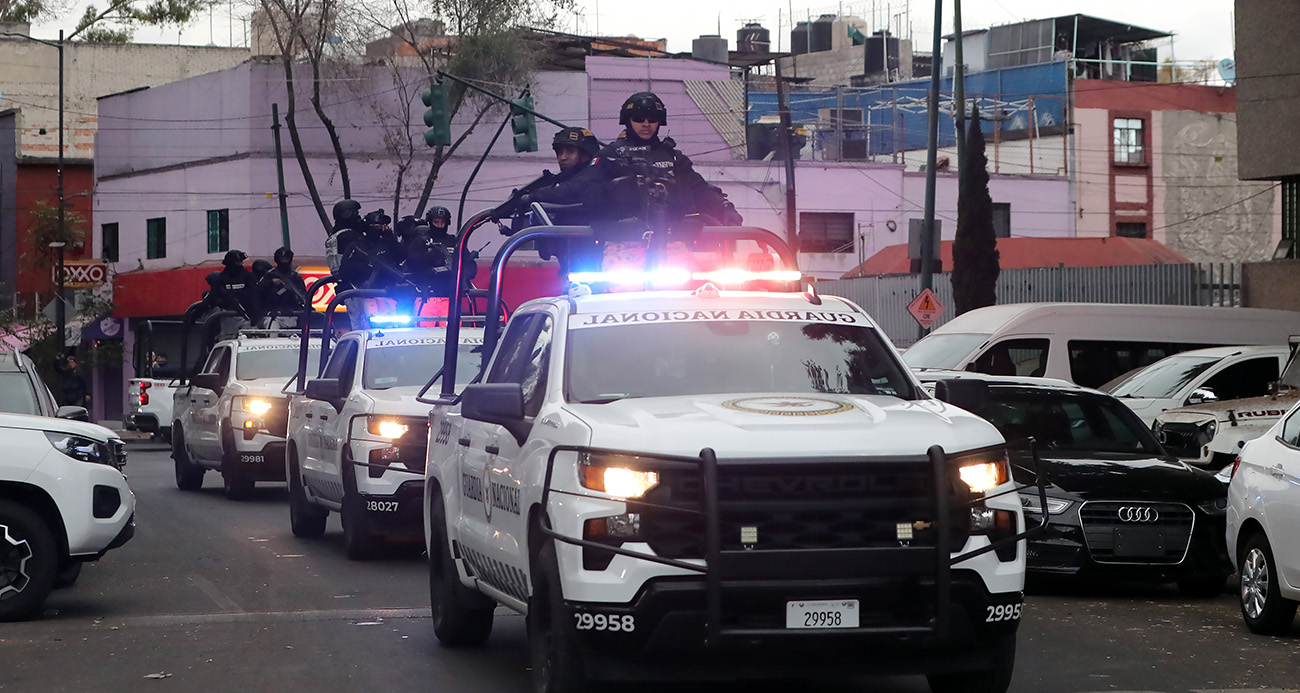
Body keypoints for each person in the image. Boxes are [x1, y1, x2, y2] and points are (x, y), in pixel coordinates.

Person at [553, 92, 743, 227]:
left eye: (652, 118)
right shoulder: (610, 155)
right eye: (639, 118)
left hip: (674, 242)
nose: (646, 123)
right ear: (628, 120)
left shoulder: (674, 157)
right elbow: (582, 188)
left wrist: (724, 207)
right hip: (623, 241)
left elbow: (700, 189)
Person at [260, 246, 308, 324]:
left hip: (292, 314)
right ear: (277, 259)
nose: (284, 262)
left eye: (286, 259)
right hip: (273, 314)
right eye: (282, 259)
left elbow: (303, 295)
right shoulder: (270, 274)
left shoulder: (295, 277)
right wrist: (271, 282)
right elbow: (259, 292)